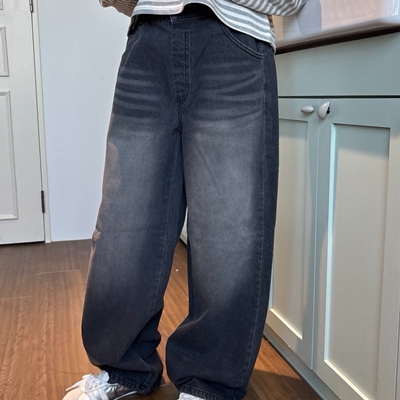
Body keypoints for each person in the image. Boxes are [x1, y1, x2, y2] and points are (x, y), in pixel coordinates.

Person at [63, 0, 307, 399]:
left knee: (228, 232)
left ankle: (209, 383)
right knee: (124, 224)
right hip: (147, 40)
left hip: (233, 42)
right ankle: (124, 368)